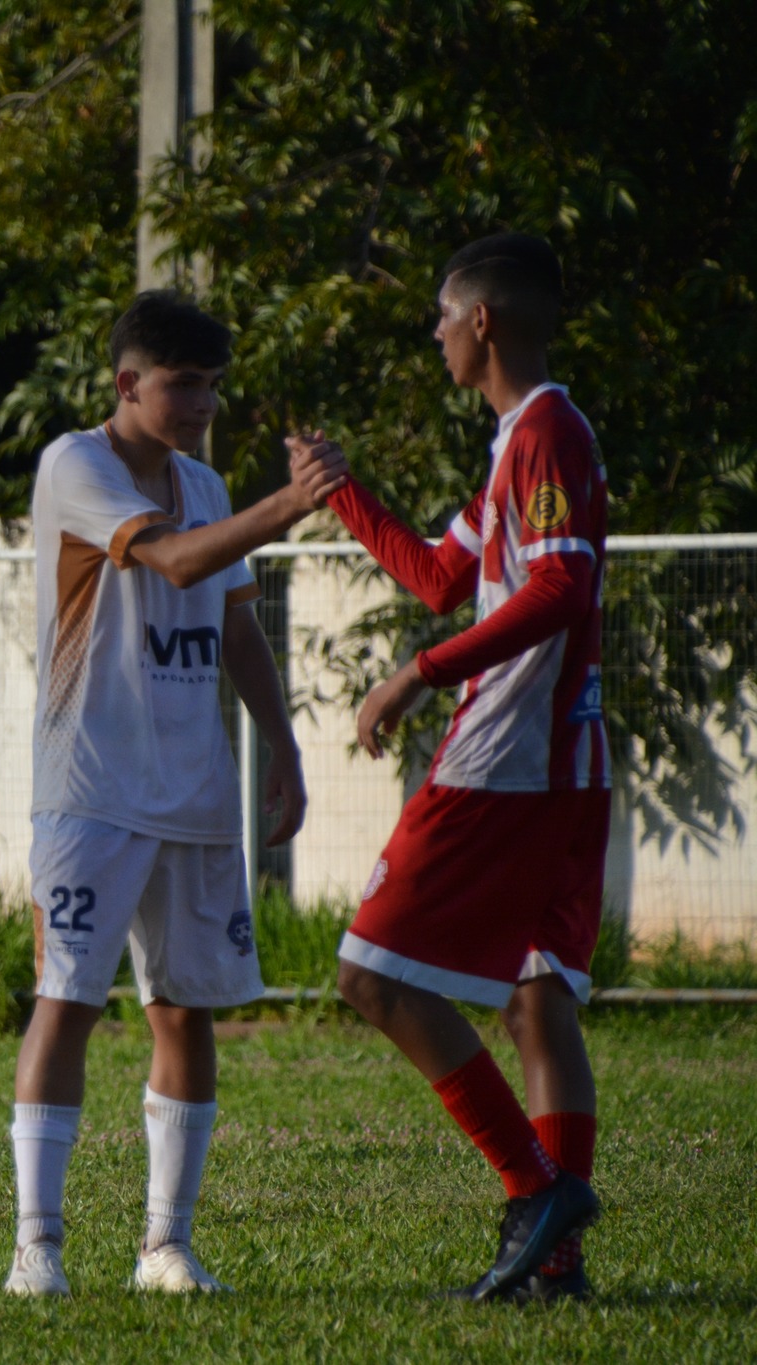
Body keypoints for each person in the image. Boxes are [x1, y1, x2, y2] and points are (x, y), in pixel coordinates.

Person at [6, 292, 345, 1297]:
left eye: (210, 385)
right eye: (181, 383)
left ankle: (164, 1246)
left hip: (193, 792)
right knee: (63, 1003)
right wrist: (289, 506)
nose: (199, 402)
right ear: (126, 384)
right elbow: (170, 556)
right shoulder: (77, 466)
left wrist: (279, 742)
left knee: (184, 1015)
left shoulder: (205, 480)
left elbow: (235, 622)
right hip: (90, 790)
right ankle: (37, 1248)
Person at [289, 232, 605, 1302]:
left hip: (508, 761)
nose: (430, 334)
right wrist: (340, 494)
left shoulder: (545, 432)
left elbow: (560, 585)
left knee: (369, 976)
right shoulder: (516, 441)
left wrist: (414, 677)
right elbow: (435, 575)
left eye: (438, 315)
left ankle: (534, 1189)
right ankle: (550, 1267)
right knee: (533, 1003)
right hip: (564, 761)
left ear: (480, 323)